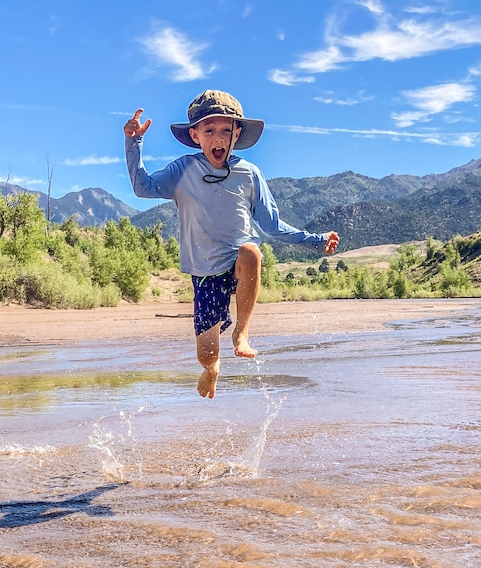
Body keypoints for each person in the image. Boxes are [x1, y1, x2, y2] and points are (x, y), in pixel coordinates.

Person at [124, 90, 339, 398]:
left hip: (238, 263)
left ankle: (241, 332)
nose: (218, 138)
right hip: (204, 272)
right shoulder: (182, 170)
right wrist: (134, 143)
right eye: (209, 130)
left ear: (237, 134)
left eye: (226, 130)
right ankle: (212, 370)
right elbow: (142, 187)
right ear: (195, 135)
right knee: (207, 354)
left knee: (251, 251)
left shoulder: (249, 174)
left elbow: (272, 225)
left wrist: (316, 242)